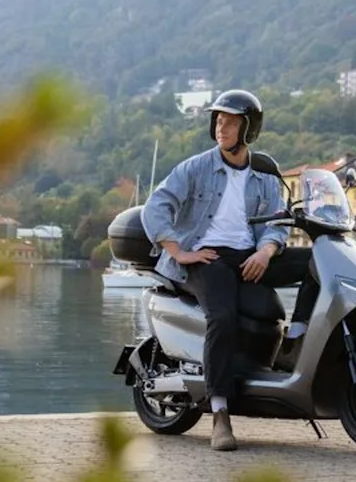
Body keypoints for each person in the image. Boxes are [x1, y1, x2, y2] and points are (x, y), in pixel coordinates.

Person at [141, 89, 317, 452]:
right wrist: (179, 251)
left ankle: (293, 342)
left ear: (249, 130)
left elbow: (277, 223)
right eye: (218, 121)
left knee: (318, 262)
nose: (221, 129)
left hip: (250, 256)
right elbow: (156, 205)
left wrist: (267, 252)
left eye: (231, 123)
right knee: (222, 317)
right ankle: (220, 413)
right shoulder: (197, 167)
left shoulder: (266, 174)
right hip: (208, 257)